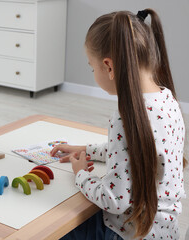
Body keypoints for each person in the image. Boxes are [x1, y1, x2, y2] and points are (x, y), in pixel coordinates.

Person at [51, 9, 186, 240]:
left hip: (128, 233)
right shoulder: (167, 99)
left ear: (109, 66)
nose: (94, 72)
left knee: (54, 228)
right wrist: (86, 150)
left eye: (92, 67)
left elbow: (113, 200)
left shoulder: (126, 118)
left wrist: (80, 173)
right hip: (164, 232)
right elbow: (132, 151)